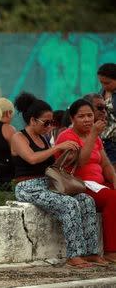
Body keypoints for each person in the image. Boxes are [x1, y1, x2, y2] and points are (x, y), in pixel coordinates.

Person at [11, 92, 107, 268]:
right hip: (27, 187)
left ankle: (91, 252)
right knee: (68, 204)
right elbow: (32, 158)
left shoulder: (43, 138)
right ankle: (74, 255)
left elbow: (50, 165)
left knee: (85, 200)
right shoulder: (19, 136)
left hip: (47, 184)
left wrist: (68, 156)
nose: (50, 126)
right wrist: (59, 146)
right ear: (33, 121)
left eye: (52, 122)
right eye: (46, 123)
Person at [56, 98, 116, 263]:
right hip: (79, 185)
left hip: (99, 184)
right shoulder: (66, 136)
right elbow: (81, 162)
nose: (87, 119)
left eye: (90, 115)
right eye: (82, 116)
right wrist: (94, 134)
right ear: (72, 119)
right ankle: (112, 251)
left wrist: (114, 179)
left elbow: (105, 163)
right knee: (112, 198)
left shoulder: (95, 137)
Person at [98, 63, 116, 168]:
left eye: (107, 83)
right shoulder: (102, 92)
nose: (104, 86)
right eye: (101, 82)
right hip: (104, 141)